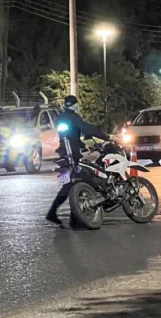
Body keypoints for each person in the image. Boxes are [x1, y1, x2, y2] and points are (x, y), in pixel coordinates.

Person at [46, 95, 110, 226]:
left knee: (69, 185)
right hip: (72, 155)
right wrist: (105, 136)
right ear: (74, 105)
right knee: (84, 180)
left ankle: (56, 213)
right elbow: (87, 128)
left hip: (64, 153)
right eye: (76, 104)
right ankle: (75, 219)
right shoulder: (73, 117)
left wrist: (82, 145)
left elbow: (69, 135)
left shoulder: (61, 117)